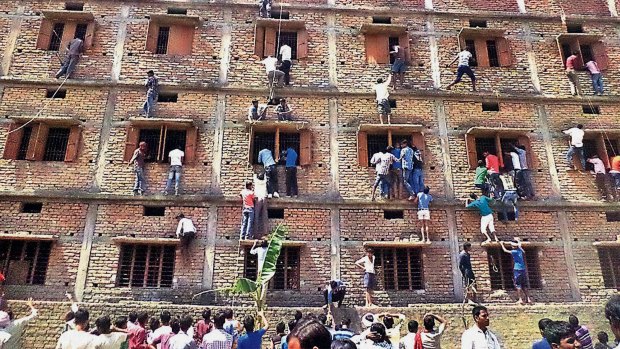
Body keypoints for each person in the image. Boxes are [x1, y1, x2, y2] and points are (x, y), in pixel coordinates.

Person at [499, 238, 531, 304]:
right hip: (523, 269)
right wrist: (518, 240)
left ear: (513, 247)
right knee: (524, 285)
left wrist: (502, 244)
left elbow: (505, 250)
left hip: (517, 269)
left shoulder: (514, 252)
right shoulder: (520, 250)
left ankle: (520, 299)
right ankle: (528, 299)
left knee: (518, 285)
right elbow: (519, 244)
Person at [253, 173, 268, 238]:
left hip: (258, 199)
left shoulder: (256, 181)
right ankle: (265, 233)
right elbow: (265, 176)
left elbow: (254, 176)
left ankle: (256, 234)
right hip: (264, 199)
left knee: (256, 216)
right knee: (264, 216)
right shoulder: (264, 181)